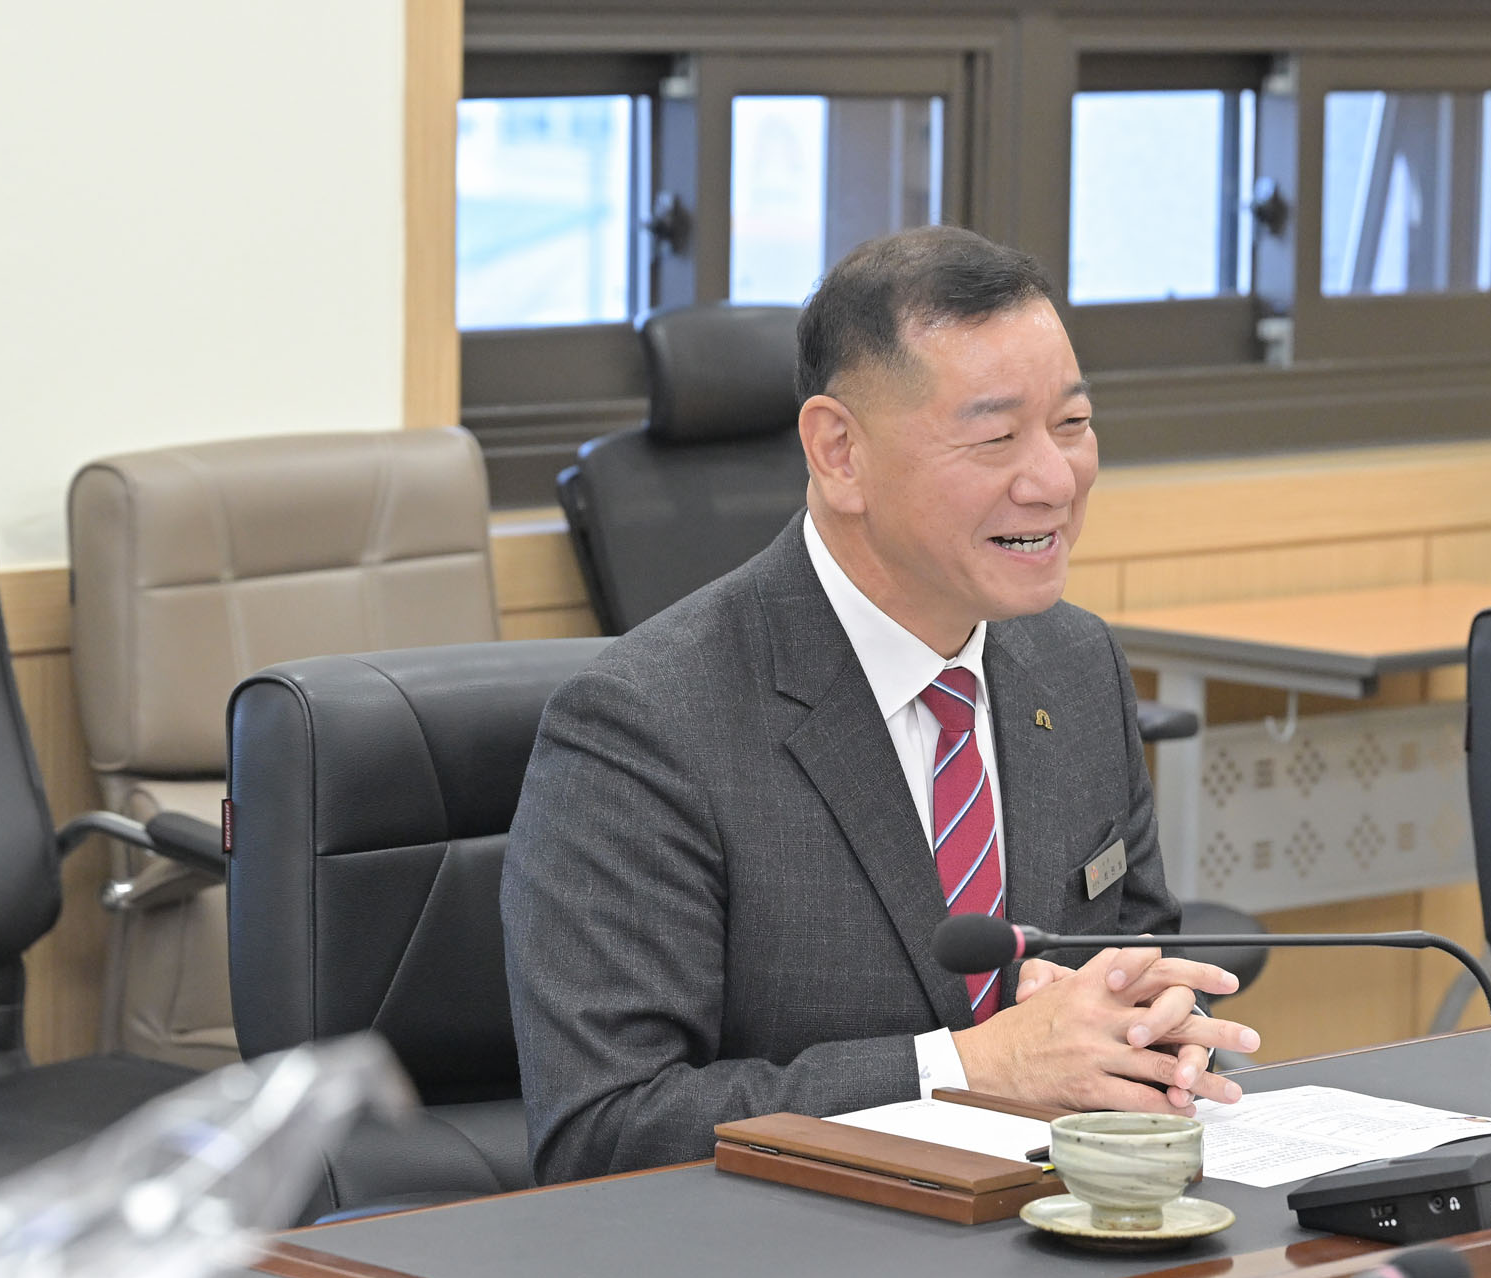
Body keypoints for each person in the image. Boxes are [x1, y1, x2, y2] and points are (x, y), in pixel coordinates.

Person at [502, 226, 1259, 1183]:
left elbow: (1138, 963)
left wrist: (1160, 1031)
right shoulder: (644, 725)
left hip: (1060, 1223)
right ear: (840, 451)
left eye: (1072, 424)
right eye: (995, 438)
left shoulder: (1075, 662)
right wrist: (967, 1069)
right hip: (794, 1260)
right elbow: (605, 1132)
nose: (1055, 481)